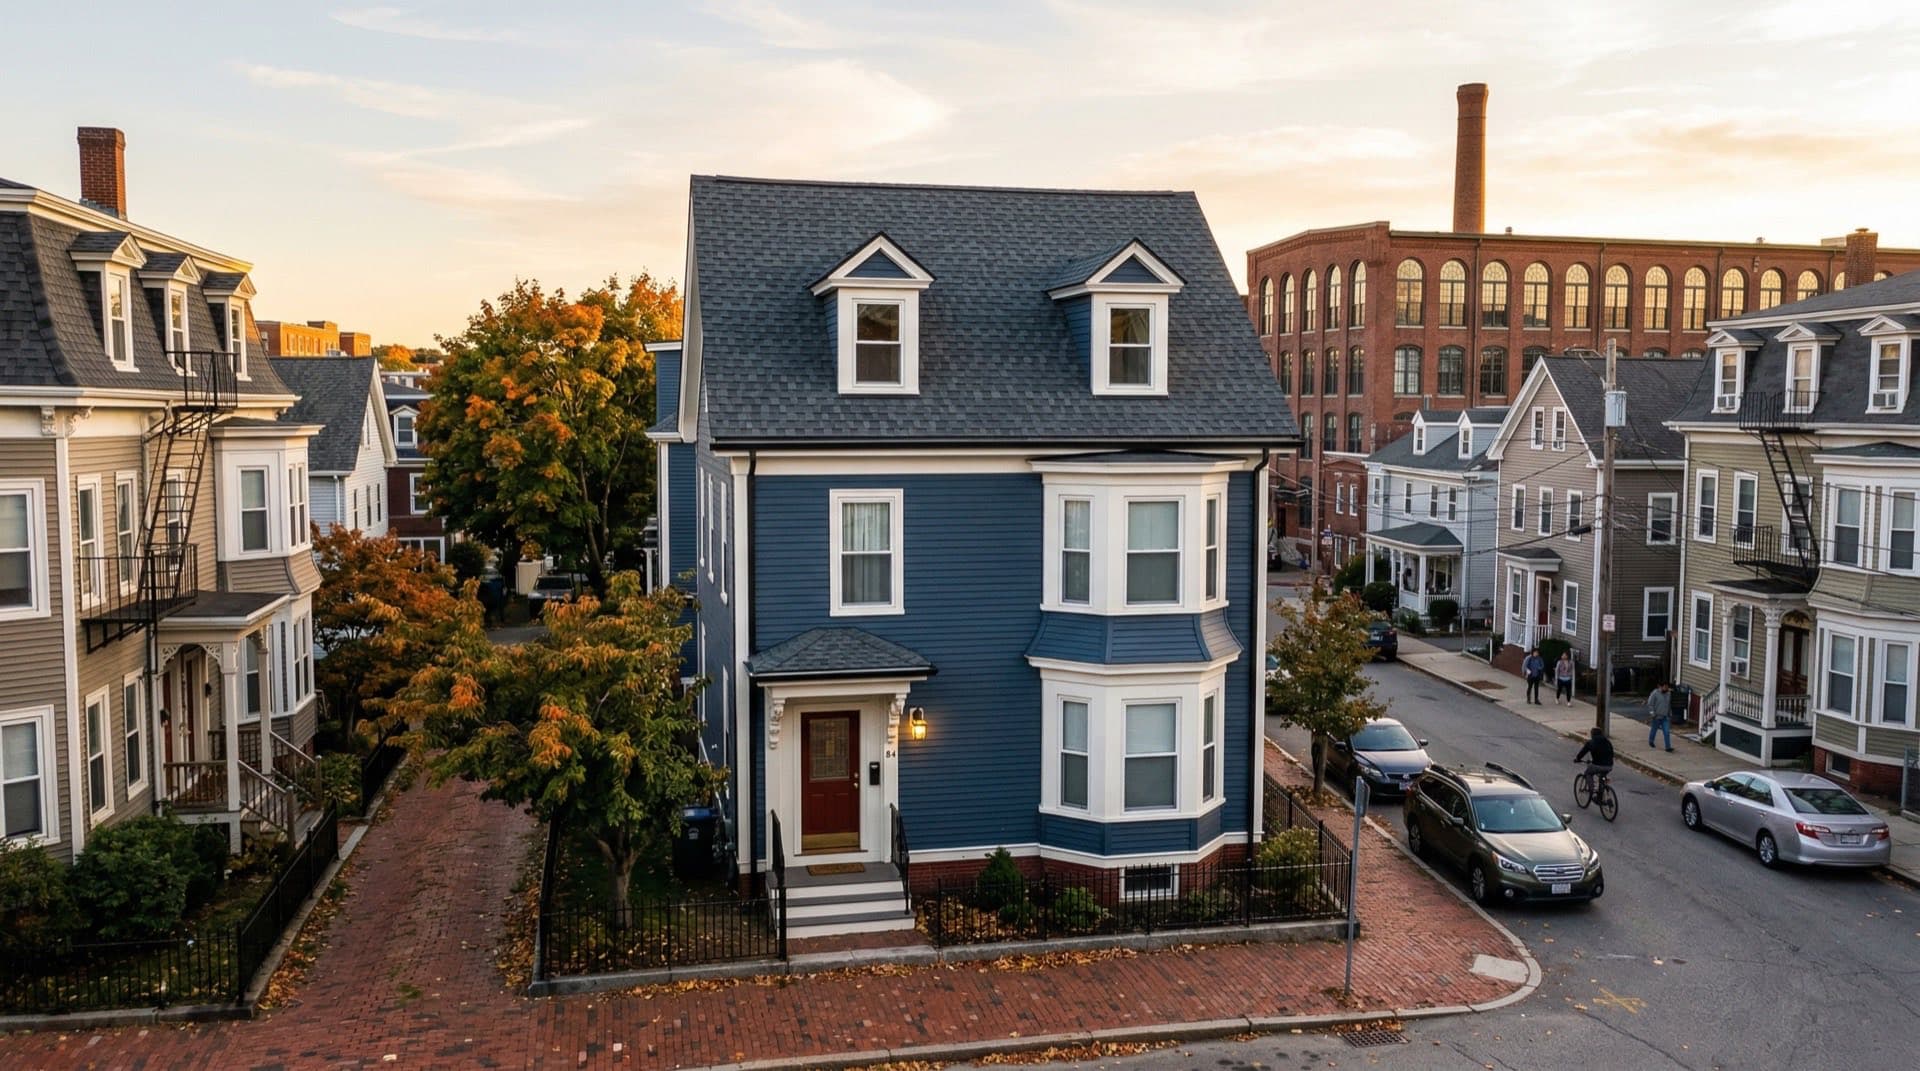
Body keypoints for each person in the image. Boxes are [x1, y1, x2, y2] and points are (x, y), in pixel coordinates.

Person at [1575, 726, 1615, 796]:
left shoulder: (1591, 742)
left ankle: (1591, 789)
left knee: (1588, 773)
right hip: (1609, 765)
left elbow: (1582, 752)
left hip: (1598, 765)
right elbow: (1611, 753)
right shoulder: (1607, 742)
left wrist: (1578, 759)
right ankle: (1601, 794)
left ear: (1592, 734)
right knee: (1602, 777)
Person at [1647, 681, 1675, 752]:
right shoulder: (1655, 693)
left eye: (1667, 687)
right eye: (1665, 687)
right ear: (1661, 687)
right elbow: (1650, 704)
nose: (1666, 688)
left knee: (1666, 732)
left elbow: (1668, 704)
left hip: (1665, 717)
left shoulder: (1668, 694)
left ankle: (1668, 747)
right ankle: (1651, 741)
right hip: (1657, 716)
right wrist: (1653, 714)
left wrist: (1669, 713)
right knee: (1654, 730)